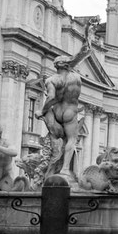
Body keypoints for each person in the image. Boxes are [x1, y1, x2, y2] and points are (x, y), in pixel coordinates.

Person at [39, 17, 96, 176]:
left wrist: (43, 111)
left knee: (56, 140)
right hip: (70, 111)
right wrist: (88, 34)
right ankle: (64, 170)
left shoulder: (52, 79)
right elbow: (84, 52)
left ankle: (51, 168)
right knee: (71, 140)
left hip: (57, 111)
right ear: (67, 64)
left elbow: (50, 98)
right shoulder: (76, 78)